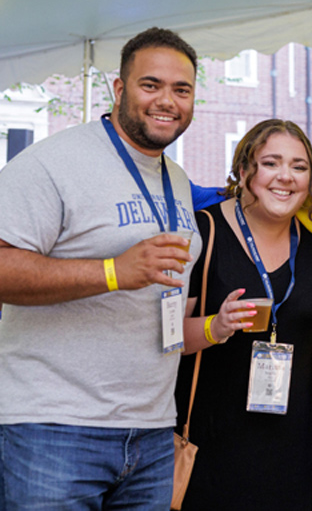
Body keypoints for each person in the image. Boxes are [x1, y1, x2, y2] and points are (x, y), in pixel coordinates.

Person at [0, 27, 201, 508]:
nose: (166, 101)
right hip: (55, 427)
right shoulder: (53, 162)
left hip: (151, 431)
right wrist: (114, 271)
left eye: (182, 89)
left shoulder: (177, 177)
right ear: (119, 89)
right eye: (150, 85)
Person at [173, 119, 312, 510]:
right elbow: (163, 337)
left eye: (299, 167)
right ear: (244, 171)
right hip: (210, 443)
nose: (286, 177)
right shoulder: (203, 232)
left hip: (288, 446)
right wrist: (216, 325)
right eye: (271, 163)